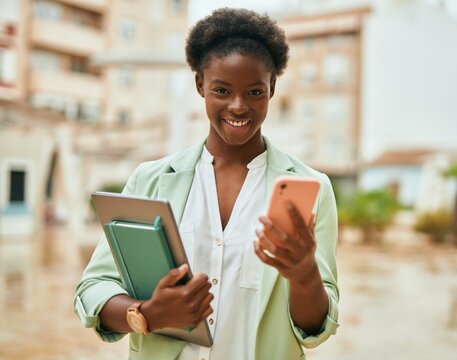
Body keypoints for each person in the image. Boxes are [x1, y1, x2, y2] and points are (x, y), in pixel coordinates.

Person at [75, 8, 339, 360]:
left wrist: (305, 275)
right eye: (222, 89)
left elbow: (315, 331)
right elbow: (92, 290)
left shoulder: (311, 189)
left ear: (272, 87)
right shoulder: (150, 181)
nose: (238, 106)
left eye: (255, 92)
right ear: (200, 84)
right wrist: (148, 314)